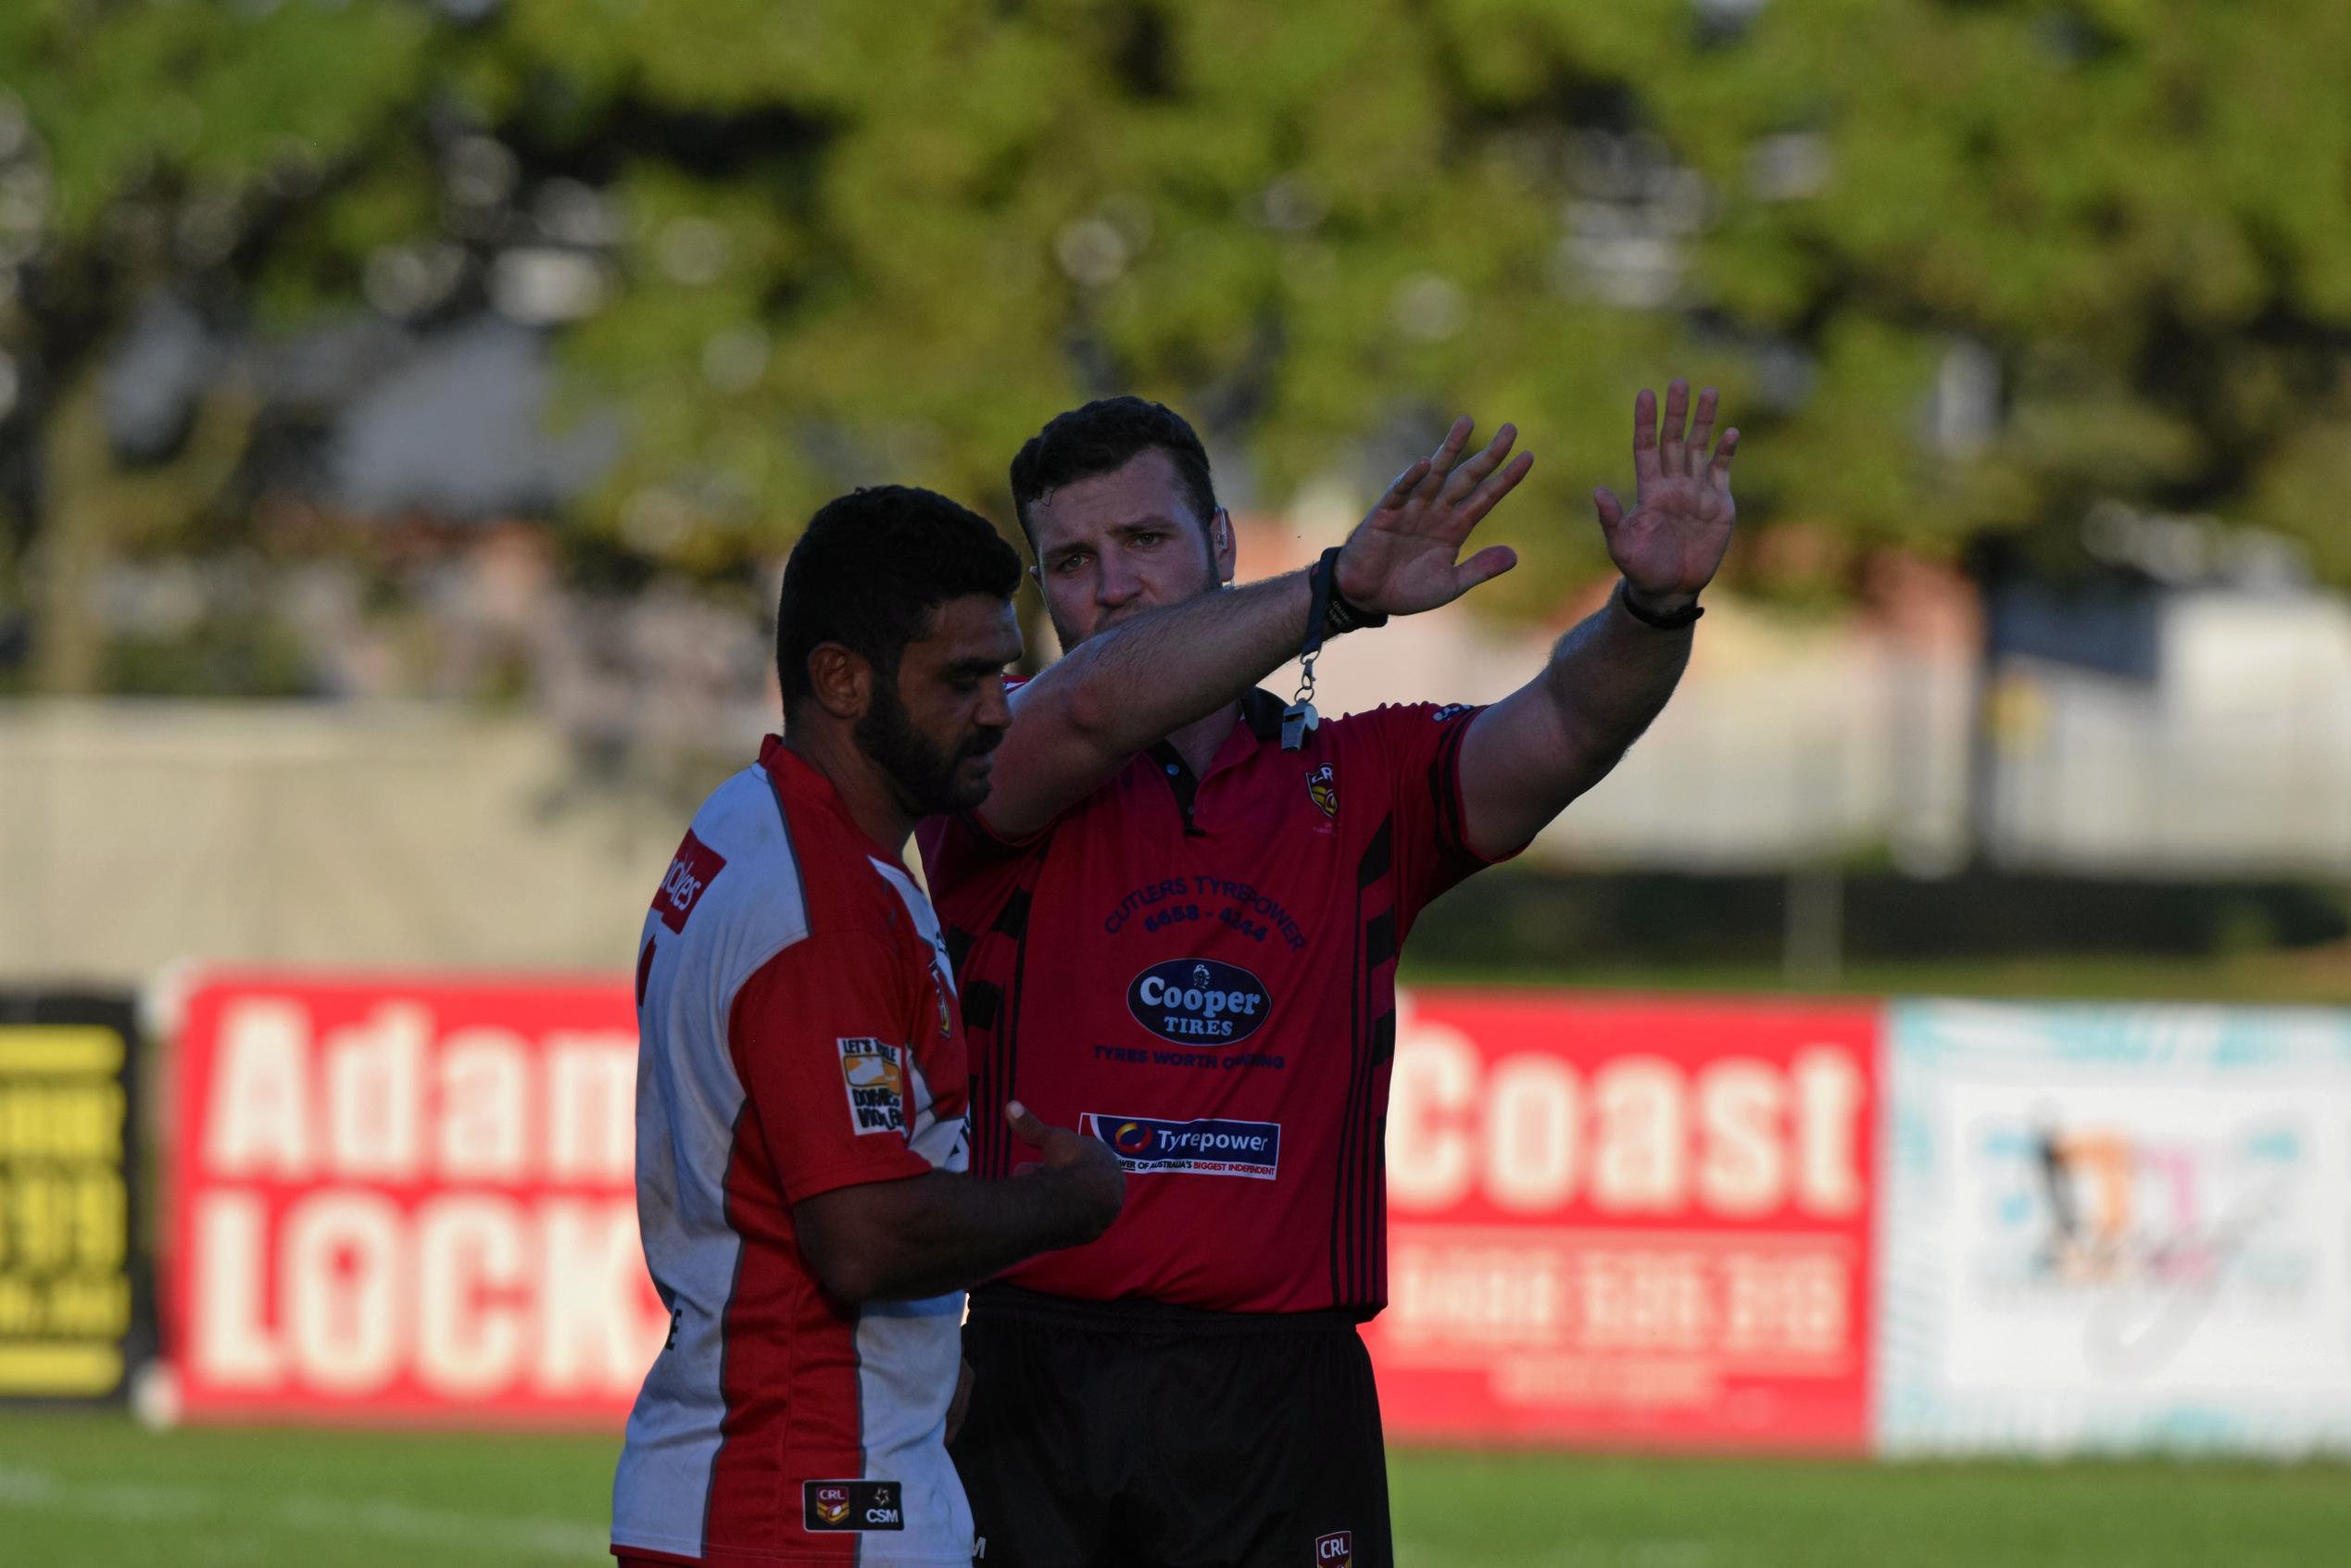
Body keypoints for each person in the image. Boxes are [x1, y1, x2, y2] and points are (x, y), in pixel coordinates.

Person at [610, 458, 1533, 1567]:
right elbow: (859, 1236)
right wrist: (1071, 1198)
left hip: (803, 1473)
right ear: (843, 681)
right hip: (801, 1499)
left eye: (1002, 672)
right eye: (962, 681)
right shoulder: (828, 907)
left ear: (1223, 545)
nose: (999, 708)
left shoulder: (751, 829)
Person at [918, 383, 1740, 1568]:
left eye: (1147, 540)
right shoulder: (994, 768)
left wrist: (1654, 607)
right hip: (1036, 1374)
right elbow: (1096, 705)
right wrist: (1332, 596)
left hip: (1283, 1392)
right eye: (1072, 562)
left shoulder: (1358, 777)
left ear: (1222, 546)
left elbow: (1566, 724)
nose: (1113, 584)